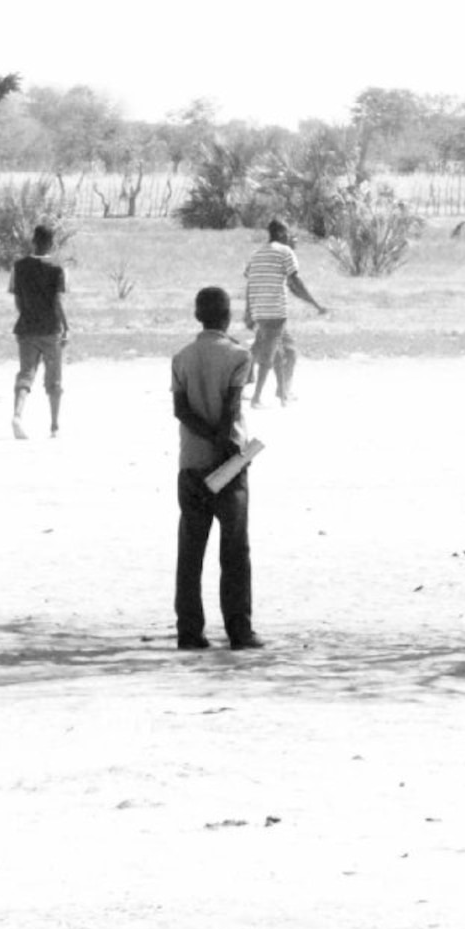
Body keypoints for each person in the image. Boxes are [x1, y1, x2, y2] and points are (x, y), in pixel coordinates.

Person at [168, 286, 261, 651]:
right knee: (235, 551)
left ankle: (189, 632)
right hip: (228, 465)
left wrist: (205, 437)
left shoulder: (182, 357)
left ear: (197, 316)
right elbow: (232, 407)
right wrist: (223, 444)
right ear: (228, 317)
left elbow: (181, 410)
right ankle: (240, 631)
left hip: (190, 463)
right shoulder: (239, 355)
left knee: (190, 550)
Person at [240, 220, 328, 406]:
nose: (289, 236)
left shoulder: (257, 254)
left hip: (260, 311)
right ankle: (256, 397)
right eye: (287, 232)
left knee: (285, 352)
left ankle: (283, 392)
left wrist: (249, 311)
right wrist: (316, 304)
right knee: (270, 355)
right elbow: (295, 282)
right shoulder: (286, 252)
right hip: (275, 312)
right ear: (280, 232)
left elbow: (251, 283)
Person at [10, 223, 69, 440]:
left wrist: (27, 314)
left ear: (33, 241)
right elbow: (57, 301)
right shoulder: (57, 269)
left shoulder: (19, 266)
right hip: (50, 330)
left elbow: (17, 299)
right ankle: (54, 426)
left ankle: (17, 416)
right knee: (54, 380)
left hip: (26, 329)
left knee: (26, 374)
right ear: (52, 243)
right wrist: (66, 327)